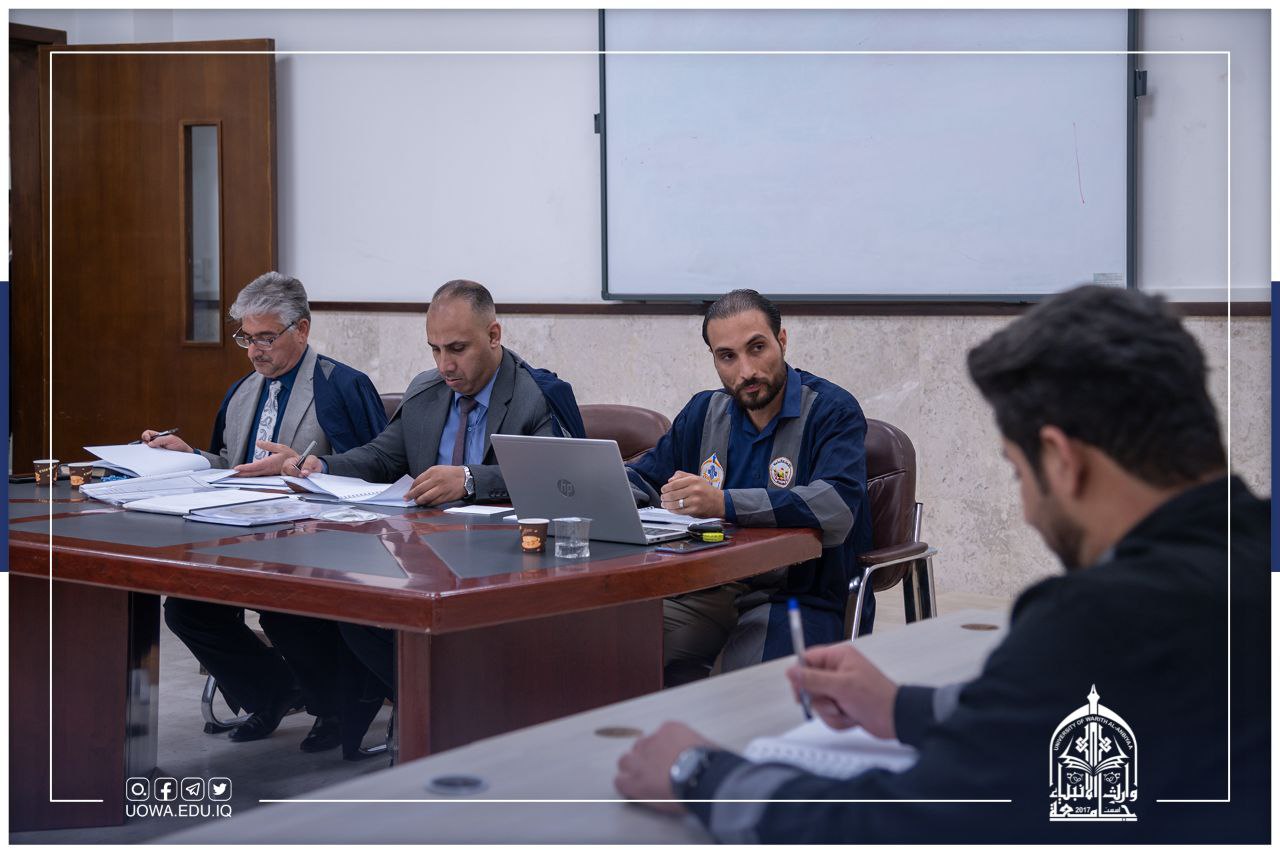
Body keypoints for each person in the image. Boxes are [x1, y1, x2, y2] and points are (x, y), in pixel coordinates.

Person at [614, 285, 1269, 843]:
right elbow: (1040, 711)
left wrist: (700, 773)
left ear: (1063, 461)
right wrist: (905, 707)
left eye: (1018, 472)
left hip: (796, 597)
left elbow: (894, 827)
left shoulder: (1094, 623)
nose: (1029, 511)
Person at [287, 279, 585, 703]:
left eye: (457, 349)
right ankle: (429, 706)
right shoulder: (427, 391)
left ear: (494, 335)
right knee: (353, 611)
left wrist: (469, 478)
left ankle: (457, 707)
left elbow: (560, 477)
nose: (445, 365)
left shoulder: (537, 396)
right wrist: (322, 466)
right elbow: (382, 456)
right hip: (425, 555)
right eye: (435, 349)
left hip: (505, 560)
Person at [143, 272, 389, 757]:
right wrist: (190, 456)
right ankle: (274, 691)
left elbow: (377, 471)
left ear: (302, 329)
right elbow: (231, 465)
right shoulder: (242, 392)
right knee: (187, 611)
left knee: (283, 610)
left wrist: (301, 467)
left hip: (319, 541)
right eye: (246, 337)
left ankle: (333, 707)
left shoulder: (342, 386)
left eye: (266, 338)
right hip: (243, 535)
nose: (254, 350)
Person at [626, 290, 873, 687]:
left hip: (796, 599)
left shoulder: (832, 411)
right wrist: (602, 490)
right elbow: (645, 476)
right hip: (702, 592)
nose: (746, 371)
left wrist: (722, 503)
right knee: (608, 650)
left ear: (782, 340)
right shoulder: (704, 411)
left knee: (743, 696)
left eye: (757, 348)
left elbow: (835, 508)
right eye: (727, 356)